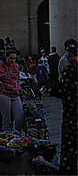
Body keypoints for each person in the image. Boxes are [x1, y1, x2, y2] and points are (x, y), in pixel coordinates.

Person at [49, 38, 77, 175]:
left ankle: (69, 167)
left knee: (70, 140)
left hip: (71, 111)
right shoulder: (64, 62)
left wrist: (53, 89)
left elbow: (62, 89)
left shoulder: (69, 68)